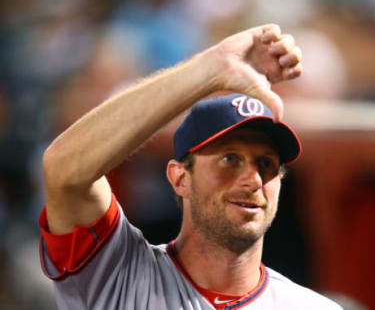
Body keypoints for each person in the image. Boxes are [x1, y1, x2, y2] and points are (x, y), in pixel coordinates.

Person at [39, 24, 342, 310]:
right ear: (180, 177)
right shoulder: (120, 276)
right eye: (230, 160)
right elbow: (64, 170)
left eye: (266, 163)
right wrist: (210, 69)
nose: (252, 179)